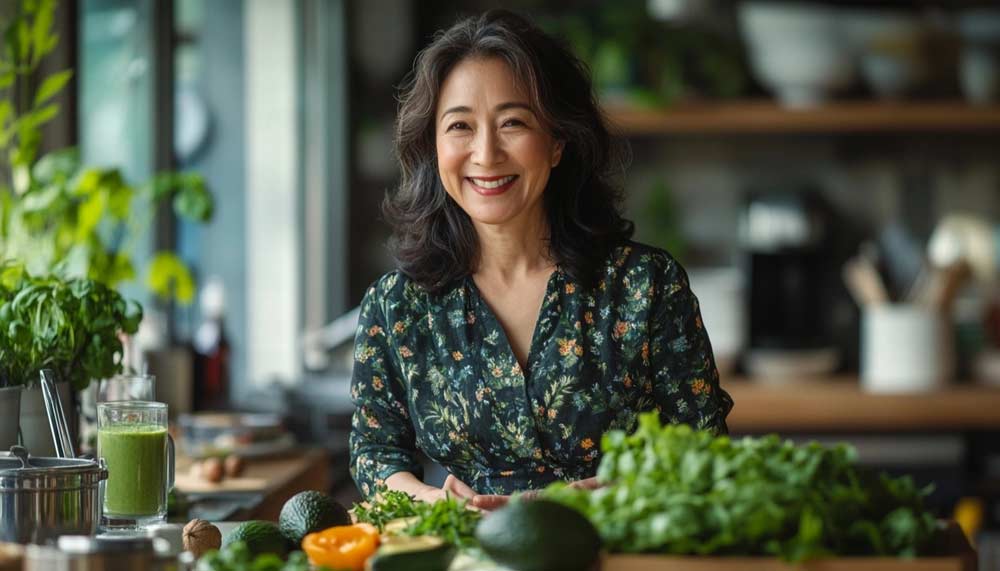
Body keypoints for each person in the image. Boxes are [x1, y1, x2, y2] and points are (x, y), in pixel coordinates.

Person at [349, 9, 732, 509]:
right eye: (460, 126)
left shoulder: (646, 286)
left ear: (556, 141)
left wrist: (617, 493)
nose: (485, 153)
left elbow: (704, 446)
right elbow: (375, 454)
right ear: (433, 145)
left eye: (512, 122)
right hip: (474, 552)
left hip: (618, 544)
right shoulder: (396, 306)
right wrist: (433, 502)